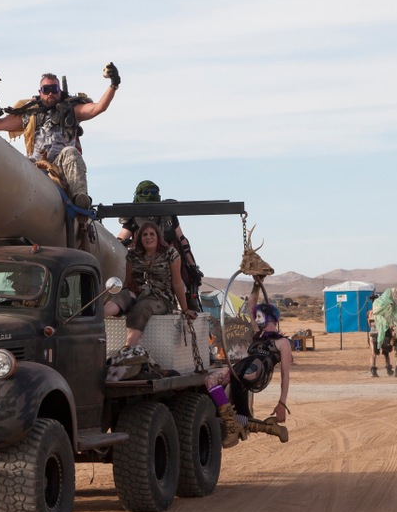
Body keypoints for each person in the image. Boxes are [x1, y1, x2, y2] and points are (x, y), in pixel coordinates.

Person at [0, 64, 120, 213]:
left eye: (54, 89)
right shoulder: (30, 114)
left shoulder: (71, 110)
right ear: (40, 92)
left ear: (59, 90)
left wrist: (113, 84)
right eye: (46, 90)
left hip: (61, 164)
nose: (50, 93)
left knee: (71, 152)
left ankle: (80, 198)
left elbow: (98, 108)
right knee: (14, 162)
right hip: (35, 164)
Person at [204, 277, 292, 447]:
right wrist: (256, 282)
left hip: (254, 372)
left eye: (259, 317)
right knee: (218, 394)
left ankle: (233, 426)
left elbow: (285, 375)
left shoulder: (283, 343)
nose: (256, 320)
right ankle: (269, 428)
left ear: (269, 317)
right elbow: (251, 302)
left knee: (219, 386)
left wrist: (282, 403)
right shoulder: (257, 334)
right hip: (242, 369)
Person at [103, 221, 197, 356]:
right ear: (140, 238)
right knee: (120, 299)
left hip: (161, 298)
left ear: (158, 237)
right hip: (137, 292)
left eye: (152, 234)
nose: (148, 237)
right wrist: (123, 296)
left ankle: (127, 351)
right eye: (145, 235)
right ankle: (89, 324)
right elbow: (128, 281)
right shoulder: (133, 255)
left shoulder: (171, 254)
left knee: (142, 307)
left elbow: (177, 283)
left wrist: (185, 308)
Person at [117, 180, 204, 310]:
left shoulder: (167, 214)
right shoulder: (134, 217)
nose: (150, 195)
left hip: (170, 261)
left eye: (153, 192)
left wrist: (192, 266)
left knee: (186, 285)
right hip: (144, 264)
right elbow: (120, 239)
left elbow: (182, 240)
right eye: (146, 192)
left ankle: (188, 305)